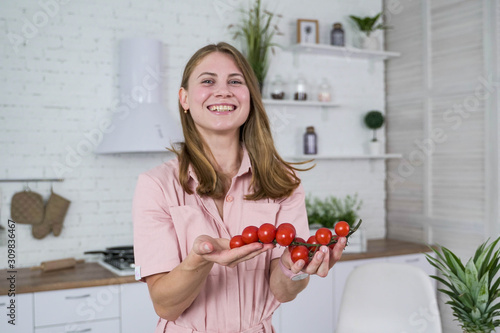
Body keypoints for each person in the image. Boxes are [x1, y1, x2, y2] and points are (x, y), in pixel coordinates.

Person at [132, 42, 347, 333]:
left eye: (235, 81)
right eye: (208, 81)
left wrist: (294, 267)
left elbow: (284, 291)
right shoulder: (156, 185)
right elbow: (165, 305)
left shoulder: (282, 183)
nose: (223, 91)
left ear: (250, 97)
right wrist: (199, 261)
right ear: (184, 98)